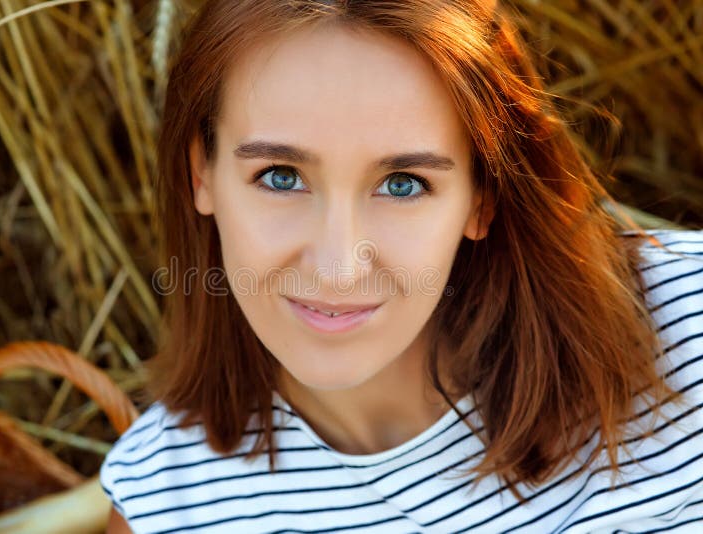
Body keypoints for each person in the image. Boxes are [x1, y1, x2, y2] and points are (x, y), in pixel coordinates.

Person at [100, 1, 703, 532]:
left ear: (481, 196)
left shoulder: (684, 324)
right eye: (281, 178)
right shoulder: (168, 505)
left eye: (403, 184)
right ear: (201, 172)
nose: (338, 269)